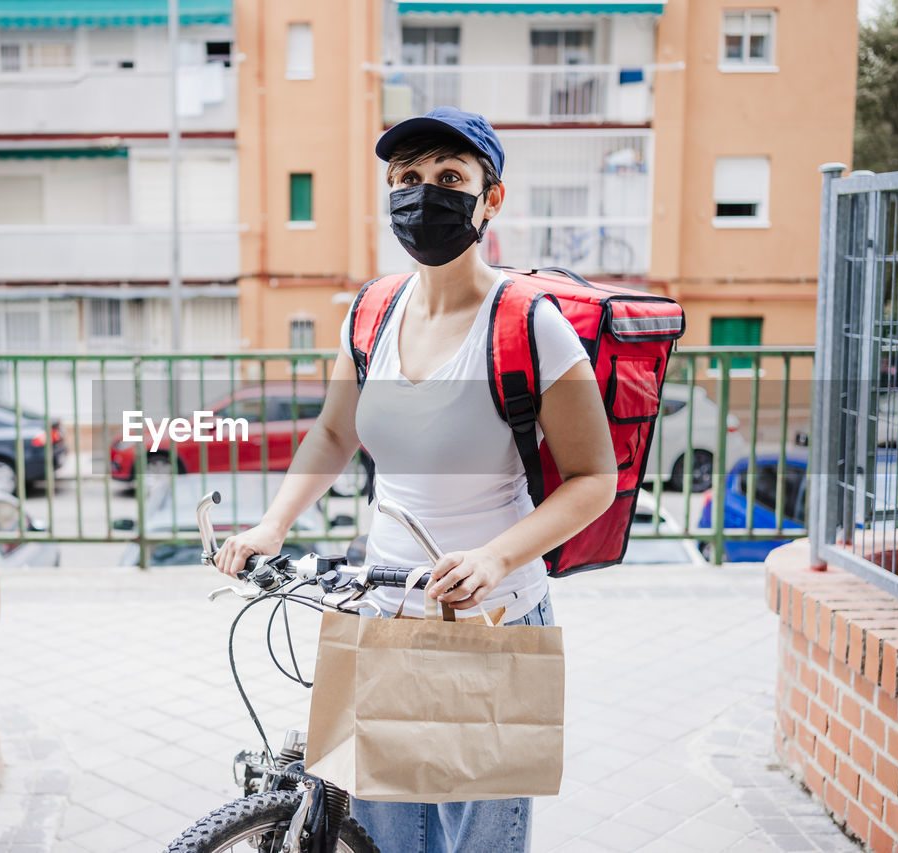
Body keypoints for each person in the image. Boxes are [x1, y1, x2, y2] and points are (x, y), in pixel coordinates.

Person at [214, 106, 617, 853]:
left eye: (449, 178)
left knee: (480, 842)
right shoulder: (370, 313)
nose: (423, 193)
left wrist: (495, 556)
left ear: (490, 198)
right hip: (384, 612)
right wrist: (272, 524)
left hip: (492, 617)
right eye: (406, 178)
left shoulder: (529, 323)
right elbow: (334, 432)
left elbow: (595, 477)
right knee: (383, 839)